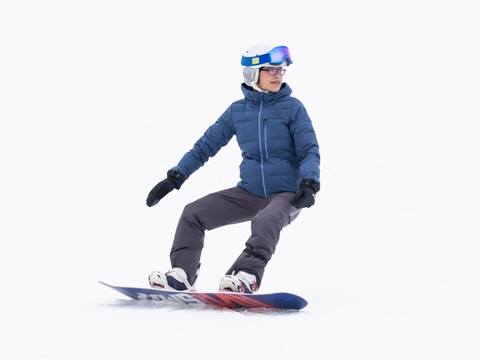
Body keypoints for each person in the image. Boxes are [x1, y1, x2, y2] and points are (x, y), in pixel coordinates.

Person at [146, 45, 320, 293]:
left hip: (288, 194)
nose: (278, 75)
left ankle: (246, 275)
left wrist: (310, 182)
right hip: (249, 192)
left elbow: (309, 149)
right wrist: (176, 176)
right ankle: (182, 274)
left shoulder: (293, 108)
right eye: (270, 70)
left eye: (280, 70)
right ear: (252, 73)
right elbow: (205, 146)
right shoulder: (237, 111)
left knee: (266, 219)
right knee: (193, 213)